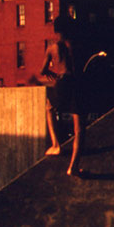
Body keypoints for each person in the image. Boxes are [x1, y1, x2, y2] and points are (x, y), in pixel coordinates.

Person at [40, 17, 85, 177]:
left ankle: (56, 144)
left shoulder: (52, 47)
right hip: (76, 82)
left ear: (55, 30)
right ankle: (73, 166)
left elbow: (42, 70)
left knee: (49, 107)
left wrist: (53, 74)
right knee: (79, 126)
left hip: (62, 81)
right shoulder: (74, 44)